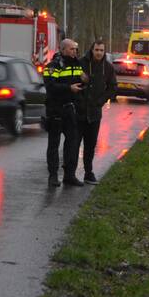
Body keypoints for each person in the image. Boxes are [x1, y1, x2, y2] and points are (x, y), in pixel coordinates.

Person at [44, 38, 87, 186]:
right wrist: (69, 88)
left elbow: (81, 85)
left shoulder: (77, 65)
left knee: (72, 143)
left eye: (76, 49)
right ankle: (53, 176)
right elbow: (50, 86)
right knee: (54, 144)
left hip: (70, 109)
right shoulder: (53, 66)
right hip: (56, 109)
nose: (75, 51)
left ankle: (69, 175)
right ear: (62, 50)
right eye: (71, 49)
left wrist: (86, 81)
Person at [79, 38, 117, 184]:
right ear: (92, 50)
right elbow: (71, 79)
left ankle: (88, 173)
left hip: (94, 113)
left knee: (90, 144)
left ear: (104, 51)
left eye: (101, 50)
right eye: (96, 50)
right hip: (79, 111)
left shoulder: (107, 68)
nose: (99, 53)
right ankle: (69, 174)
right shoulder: (82, 63)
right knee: (74, 144)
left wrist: (101, 101)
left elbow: (113, 88)